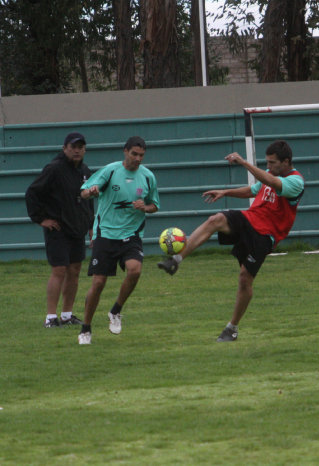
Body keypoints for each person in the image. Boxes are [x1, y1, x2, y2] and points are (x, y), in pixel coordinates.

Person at [158, 140, 304, 342]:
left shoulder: (296, 182)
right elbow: (253, 191)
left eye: (272, 163)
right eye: (267, 163)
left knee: (245, 278)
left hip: (265, 236)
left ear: (286, 161)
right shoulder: (271, 175)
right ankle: (175, 260)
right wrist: (225, 192)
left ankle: (231, 329)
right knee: (215, 219)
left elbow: (272, 184)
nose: (268, 167)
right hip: (250, 220)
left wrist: (244, 162)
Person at [78, 136, 160, 345]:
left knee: (135, 270)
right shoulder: (111, 171)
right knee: (98, 283)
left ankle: (116, 311)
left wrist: (145, 207)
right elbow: (84, 192)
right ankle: (86, 328)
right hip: (105, 233)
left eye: (141, 155)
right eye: (134, 154)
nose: (138, 159)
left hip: (131, 235)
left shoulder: (148, 177)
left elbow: (155, 206)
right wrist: (91, 192)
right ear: (125, 152)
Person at [25, 132, 94, 328]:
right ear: (65, 149)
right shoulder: (54, 169)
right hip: (58, 229)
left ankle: (67, 314)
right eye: (73, 147)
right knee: (59, 270)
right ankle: (50, 317)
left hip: (77, 228)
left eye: (81, 147)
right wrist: (40, 219)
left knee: (74, 270)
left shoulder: (86, 172)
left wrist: (90, 227)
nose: (77, 150)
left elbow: (88, 201)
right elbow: (32, 192)